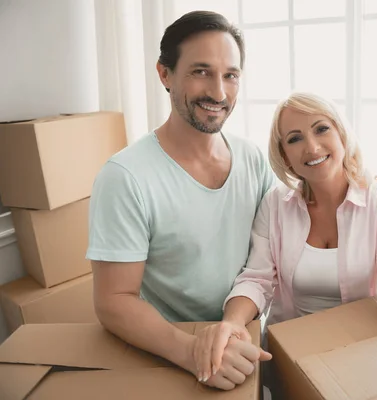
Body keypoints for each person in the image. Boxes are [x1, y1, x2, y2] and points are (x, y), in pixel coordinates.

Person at [86, 11, 273, 391]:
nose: (219, 92)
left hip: (242, 335)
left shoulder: (252, 157)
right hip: (169, 348)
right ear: (164, 74)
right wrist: (192, 352)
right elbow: (113, 300)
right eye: (201, 71)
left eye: (230, 75)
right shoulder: (125, 177)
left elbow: (269, 252)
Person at [199, 92, 377, 383]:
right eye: (295, 139)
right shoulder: (275, 204)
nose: (311, 147)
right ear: (285, 156)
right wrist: (232, 323)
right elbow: (256, 279)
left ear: (342, 135)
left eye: (321, 129)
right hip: (292, 358)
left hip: (363, 356)